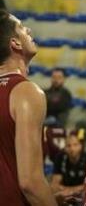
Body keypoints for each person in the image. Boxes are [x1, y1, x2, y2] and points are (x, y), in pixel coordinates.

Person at [0, 11, 56, 205]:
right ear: (15, 43)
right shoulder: (25, 92)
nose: (29, 30)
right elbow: (30, 183)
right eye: (22, 27)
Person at [50, 133, 86, 204]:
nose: (72, 149)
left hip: (81, 194)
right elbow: (54, 183)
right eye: (68, 146)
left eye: (75, 145)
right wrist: (65, 191)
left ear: (81, 146)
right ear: (65, 147)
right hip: (64, 194)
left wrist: (71, 190)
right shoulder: (60, 157)